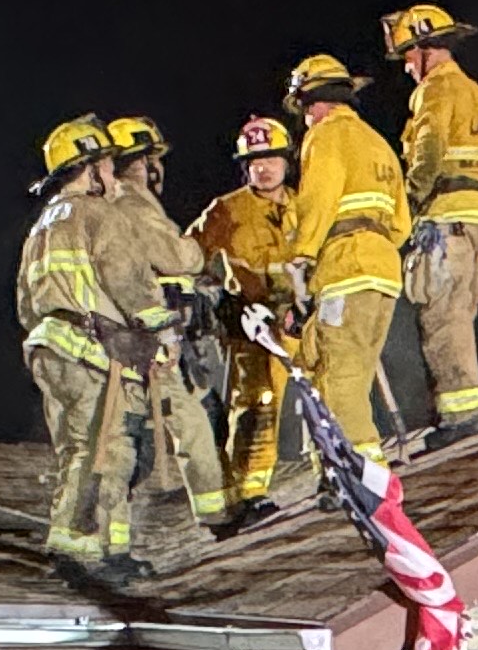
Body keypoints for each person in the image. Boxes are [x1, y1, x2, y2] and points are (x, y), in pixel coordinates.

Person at [87, 115, 225, 558]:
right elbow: (175, 255)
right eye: (151, 160)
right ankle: (216, 512)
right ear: (140, 163)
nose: (156, 169)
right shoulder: (133, 203)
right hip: (149, 338)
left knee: (142, 428)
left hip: (130, 336)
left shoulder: (113, 205)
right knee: (184, 419)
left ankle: (116, 531)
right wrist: (198, 252)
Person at [384, 1, 478, 437]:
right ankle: (467, 408)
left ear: (427, 50)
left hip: (447, 220)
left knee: (443, 318)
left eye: (408, 56)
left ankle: (461, 417)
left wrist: (410, 199)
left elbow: (428, 149)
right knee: (462, 314)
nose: (407, 67)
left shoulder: (435, 91)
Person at [15, 118, 134, 569]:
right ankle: (79, 541)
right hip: (86, 345)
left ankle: (84, 536)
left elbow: (26, 303)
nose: (111, 173)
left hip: (47, 345)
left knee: (73, 448)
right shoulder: (92, 212)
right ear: (89, 167)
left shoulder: (40, 227)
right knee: (102, 446)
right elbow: (123, 279)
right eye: (106, 163)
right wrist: (151, 326)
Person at [278, 52, 407, 459]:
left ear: (310, 103)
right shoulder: (377, 142)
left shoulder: (325, 135)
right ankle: (345, 467)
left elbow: (318, 200)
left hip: (346, 268)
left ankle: (363, 470)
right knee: (346, 367)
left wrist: (301, 255)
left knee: (341, 379)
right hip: (383, 269)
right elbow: (401, 222)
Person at [189, 112, 306, 510]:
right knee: (257, 403)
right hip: (253, 323)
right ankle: (249, 491)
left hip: (301, 319)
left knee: (324, 395)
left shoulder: (304, 205)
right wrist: (212, 294)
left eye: (271, 159)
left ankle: (331, 472)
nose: (264, 168)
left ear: (286, 161)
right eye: (254, 163)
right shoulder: (227, 210)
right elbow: (187, 256)